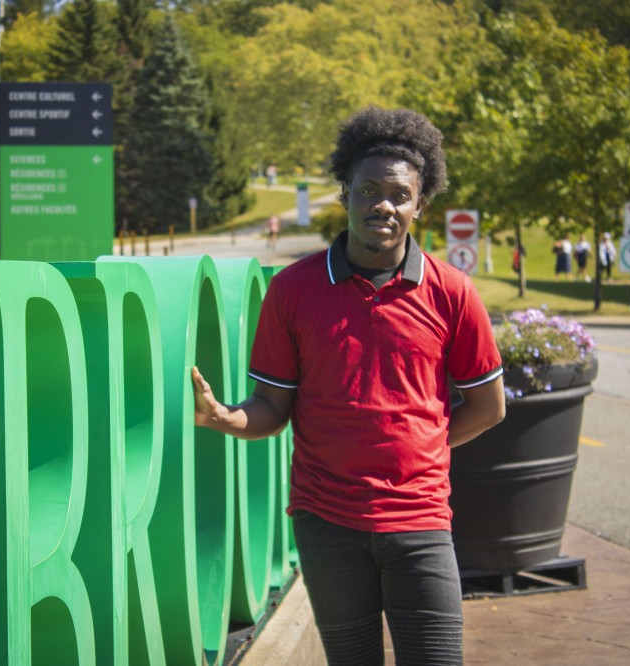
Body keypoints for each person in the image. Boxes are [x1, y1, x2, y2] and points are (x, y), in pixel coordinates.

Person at [191, 106, 506, 665]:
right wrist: (224, 418)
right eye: (368, 190)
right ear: (345, 192)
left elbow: (487, 406)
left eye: (399, 195)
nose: (383, 205)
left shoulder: (452, 292)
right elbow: (271, 406)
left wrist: (422, 449)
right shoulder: (293, 291)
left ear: (419, 203)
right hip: (327, 520)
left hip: (420, 517)